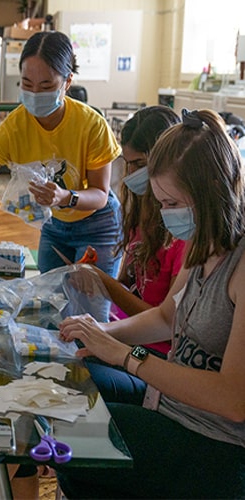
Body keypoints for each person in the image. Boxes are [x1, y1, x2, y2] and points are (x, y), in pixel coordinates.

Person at [57, 109, 245, 499]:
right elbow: (165, 316)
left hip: (218, 444)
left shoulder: (239, 265)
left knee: (71, 440)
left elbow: (233, 401)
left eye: (173, 203)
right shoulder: (203, 241)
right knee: (66, 422)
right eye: (161, 202)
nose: (165, 215)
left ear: (213, 189)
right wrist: (100, 333)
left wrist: (127, 356)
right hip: (173, 412)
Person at [0, 31, 122, 277]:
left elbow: (100, 195)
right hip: (55, 225)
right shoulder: (15, 126)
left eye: (46, 85)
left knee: (91, 306)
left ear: (67, 82)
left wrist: (64, 197)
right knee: (51, 301)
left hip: (98, 224)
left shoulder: (91, 124)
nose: (35, 93)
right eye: (27, 84)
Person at [80, 105, 185, 405]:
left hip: (153, 355)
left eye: (139, 164)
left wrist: (107, 286)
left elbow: (165, 322)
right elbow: (129, 282)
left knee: (85, 372)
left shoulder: (183, 236)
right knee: (71, 347)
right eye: (127, 164)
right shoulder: (143, 215)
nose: (130, 175)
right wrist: (96, 277)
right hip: (133, 343)